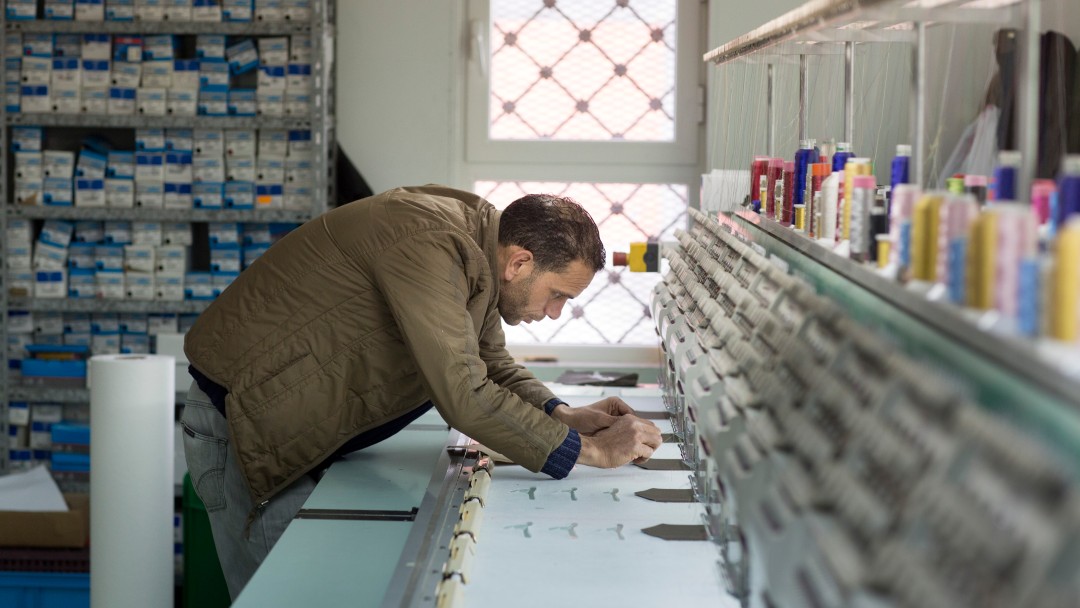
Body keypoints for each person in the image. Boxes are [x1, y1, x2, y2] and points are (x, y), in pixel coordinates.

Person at [180, 185, 663, 598]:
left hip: (286, 420)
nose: (555, 311)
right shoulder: (431, 245)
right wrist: (593, 451)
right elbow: (463, 392)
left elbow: (489, 364)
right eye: (558, 294)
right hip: (245, 424)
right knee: (285, 598)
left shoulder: (479, 247)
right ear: (520, 262)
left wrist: (563, 415)